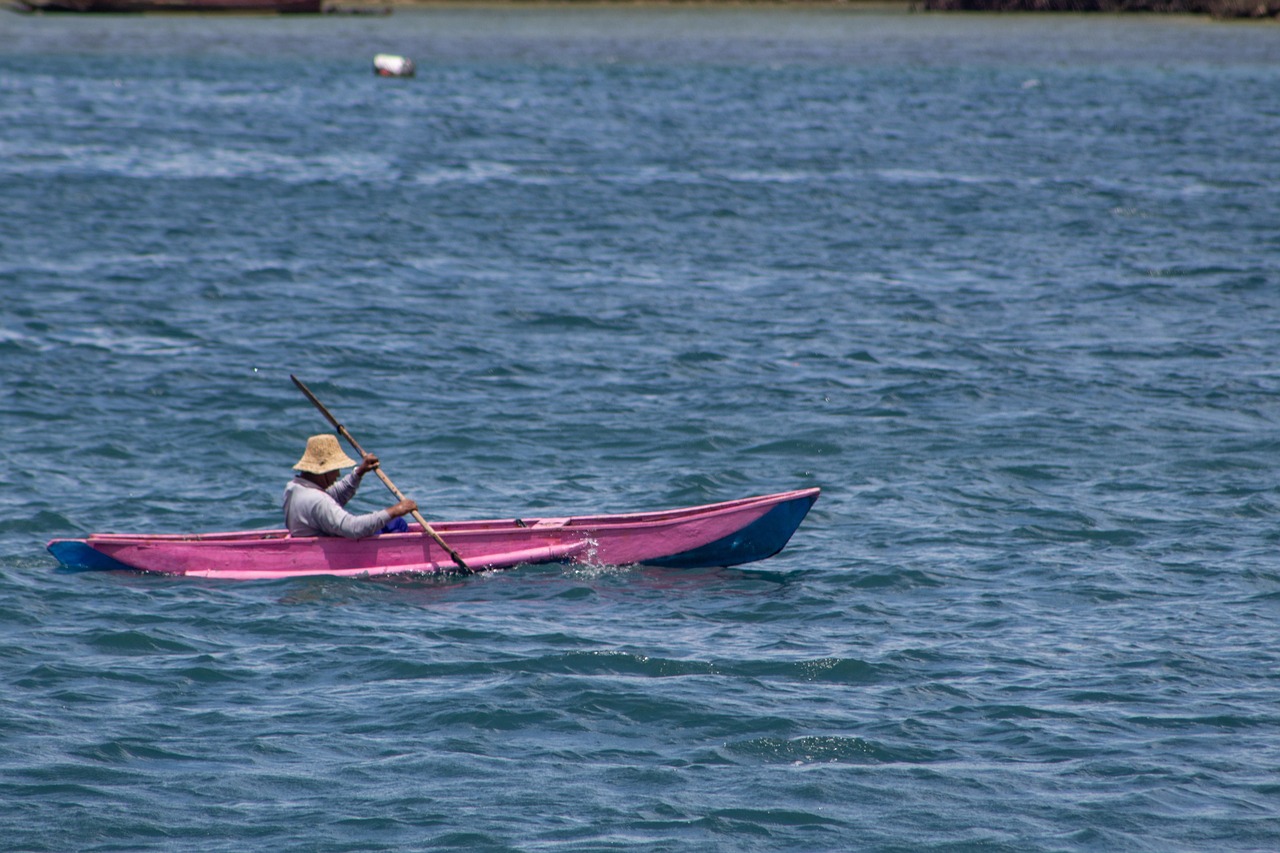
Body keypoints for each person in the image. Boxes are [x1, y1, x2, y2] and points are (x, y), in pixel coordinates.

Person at [283, 434, 417, 538]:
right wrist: (395, 510)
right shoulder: (317, 501)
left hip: (320, 535)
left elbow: (330, 497)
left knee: (392, 522)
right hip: (334, 549)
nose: (338, 474)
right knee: (396, 523)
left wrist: (359, 472)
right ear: (323, 470)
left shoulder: (294, 488)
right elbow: (353, 528)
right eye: (335, 469)